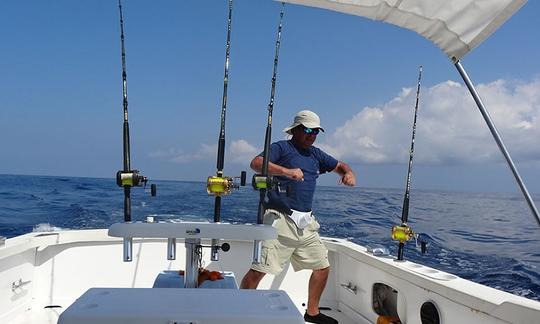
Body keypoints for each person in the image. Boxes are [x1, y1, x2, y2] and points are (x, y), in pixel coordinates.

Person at [240, 110, 356, 324]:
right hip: (280, 221)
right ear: (295, 129)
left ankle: (312, 312)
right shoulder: (281, 148)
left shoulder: (316, 154)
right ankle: (241, 311)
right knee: (259, 270)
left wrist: (348, 173)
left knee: (322, 267)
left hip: (306, 223)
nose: (312, 134)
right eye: (308, 130)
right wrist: (286, 171)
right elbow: (256, 163)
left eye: (316, 131)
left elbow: (340, 166)